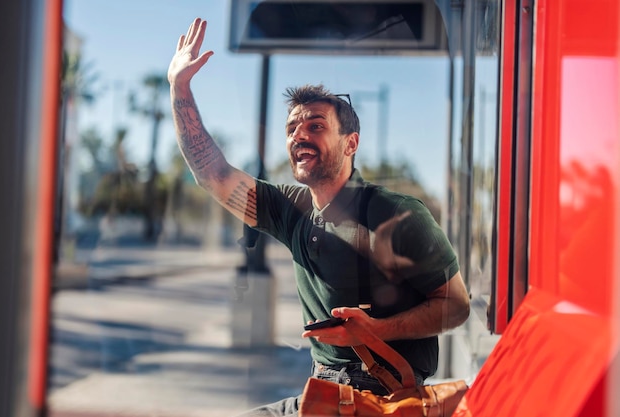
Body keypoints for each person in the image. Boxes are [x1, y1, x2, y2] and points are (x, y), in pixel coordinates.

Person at [167, 17, 470, 417]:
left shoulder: (398, 214)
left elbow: (457, 306)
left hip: (382, 400)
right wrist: (179, 88)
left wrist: (378, 330)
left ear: (351, 143)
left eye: (315, 125)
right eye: (292, 127)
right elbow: (214, 175)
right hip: (322, 394)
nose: (298, 135)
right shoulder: (290, 209)